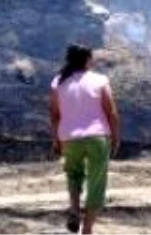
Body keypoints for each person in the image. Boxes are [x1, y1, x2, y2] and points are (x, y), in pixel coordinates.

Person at [50, 43, 122, 235]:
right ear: (88, 60)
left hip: (69, 137)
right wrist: (116, 138)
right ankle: (87, 230)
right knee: (96, 184)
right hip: (98, 137)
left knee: (73, 174)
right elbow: (112, 112)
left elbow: (55, 115)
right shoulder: (100, 80)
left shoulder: (58, 82)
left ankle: (74, 209)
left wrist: (56, 139)